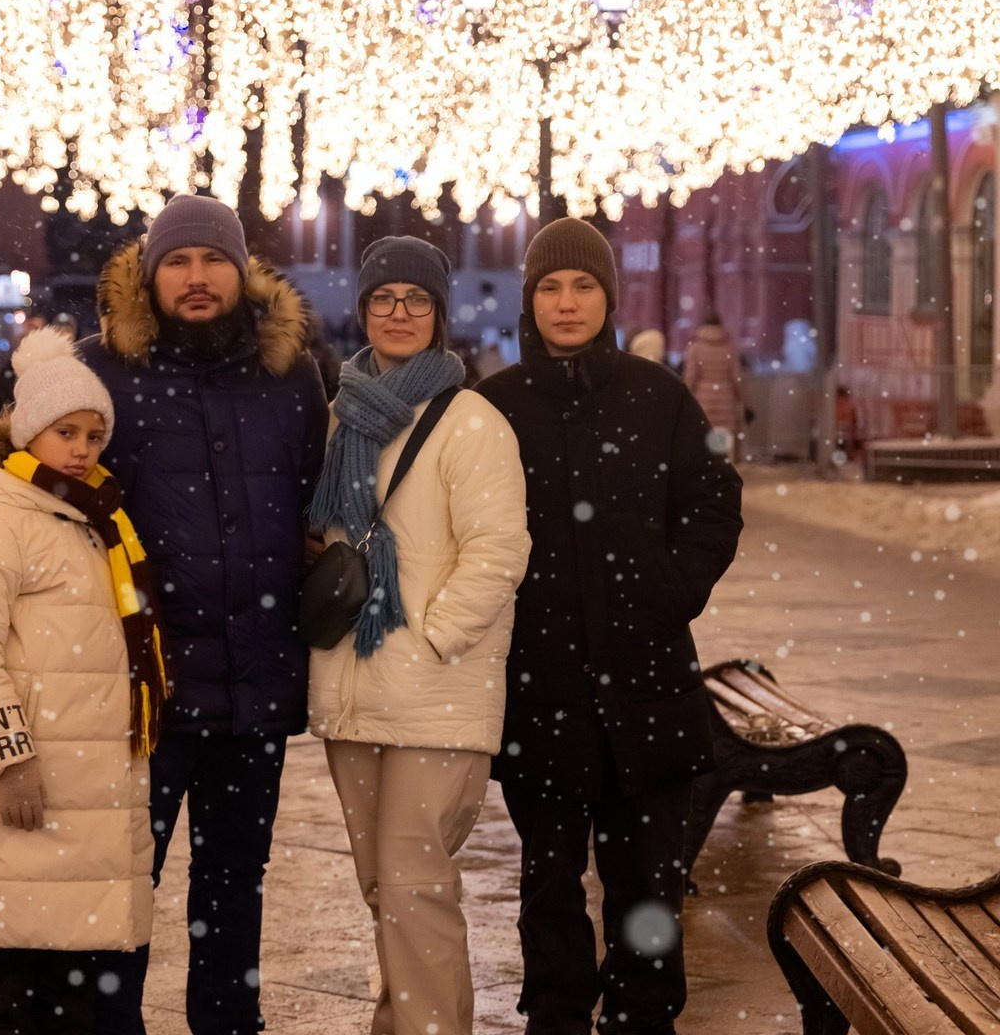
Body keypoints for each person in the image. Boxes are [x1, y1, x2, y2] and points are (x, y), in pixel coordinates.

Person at [475, 218, 743, 1035]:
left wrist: (670, 589)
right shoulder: (494, 408)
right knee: (549, 881)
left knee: (648, 883)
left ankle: (644, 1015)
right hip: (540, 689)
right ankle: (556, 1012)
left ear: (608, 298)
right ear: (530, 299)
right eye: (550, 287)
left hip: (646, 684)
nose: (566, 303)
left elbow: (712, 502)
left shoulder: (655, 394)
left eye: (583, 286)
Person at [83, 193, 329, 1035]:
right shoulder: (102, 371)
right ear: (150, 276)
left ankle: (231, 1021)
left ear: (241, 270)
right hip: (143, 683)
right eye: (178, 262)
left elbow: (311, 504)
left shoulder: (290, 376)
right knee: (124, 877)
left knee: (234, 876)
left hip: (257, 673)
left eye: (212, 260)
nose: (196, 278)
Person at [306, 235, 531, 1035]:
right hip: (351, 687)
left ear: (439, 315)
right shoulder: (344, 415)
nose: (397, 314)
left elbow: (500, 552)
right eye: (382, 300)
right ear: (363, 311)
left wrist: (432, 640)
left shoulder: (471, 423)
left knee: (413, 883)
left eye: (415, 301)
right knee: (385, 885)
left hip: (435, 692)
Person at [0, 326, 167, 1034]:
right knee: (7, 995)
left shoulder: (101, 520)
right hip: (23, 793)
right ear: (30, 433)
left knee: (80, 1001)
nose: (84, 448)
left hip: (91, 796)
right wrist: (11, 757)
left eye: (94, 433)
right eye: (67, 431)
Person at [683, 311, 744, 458]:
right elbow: (737, 378)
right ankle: (725, 474)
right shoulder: (729, 347)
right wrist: (743, 400)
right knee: (724, 447)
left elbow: (691, 377)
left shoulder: (696, 348)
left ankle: (708, 475)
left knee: (704, 445)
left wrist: (683, 397)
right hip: (725, 401)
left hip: (703, 401)